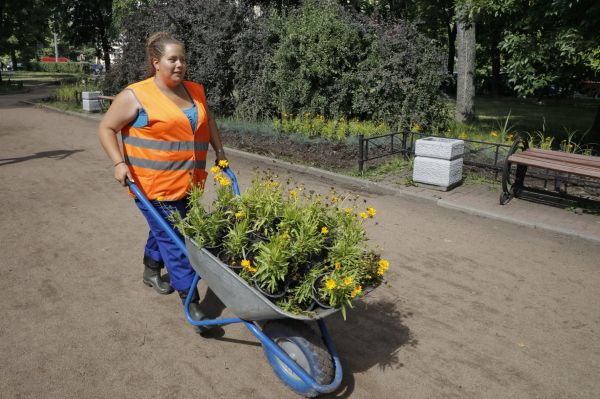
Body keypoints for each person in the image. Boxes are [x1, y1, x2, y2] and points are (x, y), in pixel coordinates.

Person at [97, 32, 227, 330]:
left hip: (191, 181)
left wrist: (219, 151)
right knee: (175, 237)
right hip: (151, 185)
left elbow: (210, 122)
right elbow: (106, 128)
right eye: (172, 59)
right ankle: (191, 300)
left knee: (167, 228)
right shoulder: (136, 95)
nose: (180, 64)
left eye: (183, 59)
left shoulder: (195, 90)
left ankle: (151, 269)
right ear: (156, 62)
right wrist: (119, 164)